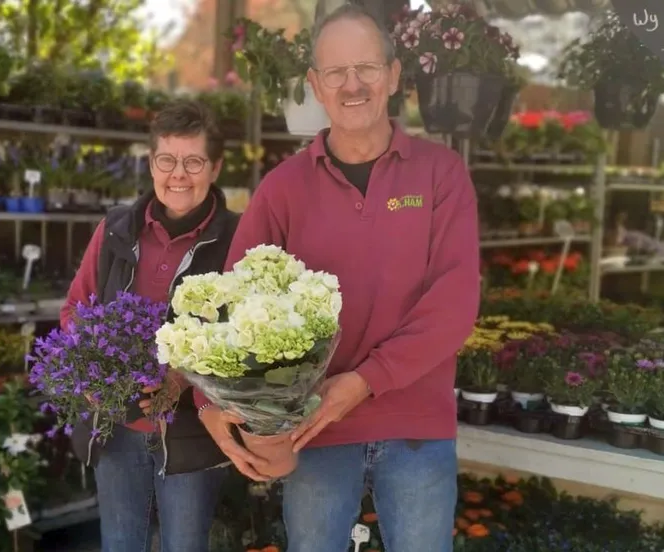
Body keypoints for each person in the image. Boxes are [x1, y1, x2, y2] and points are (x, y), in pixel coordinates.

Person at [196, 5, 480, 552]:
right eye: (335, 72)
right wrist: (213, 403)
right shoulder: (282, 189)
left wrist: (361, 382)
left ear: (394, 76)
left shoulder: (440, 174)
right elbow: (230, 309)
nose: (353, 85)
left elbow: (454, 303)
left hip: (415, 427)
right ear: (314, 86)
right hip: (313, 432)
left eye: (368, 68)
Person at [61, 99, 239, 552]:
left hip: (192, 437)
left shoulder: (239, 238)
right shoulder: (117, 229)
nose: (178, 174)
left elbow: (243, 342)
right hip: (118, 430)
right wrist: (87, 373)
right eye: (167, 160)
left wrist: (180, 379)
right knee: (121, 544)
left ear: (215, 167)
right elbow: (76, 310)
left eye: (194, 161)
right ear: (151, 163)